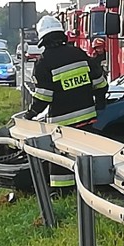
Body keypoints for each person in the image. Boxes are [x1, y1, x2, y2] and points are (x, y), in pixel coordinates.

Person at [25, 15, 109, 193]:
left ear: (43, 40)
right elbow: (100, 82)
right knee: (84, 155)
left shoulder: (43, 63)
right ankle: (87, 190)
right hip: (87, 119)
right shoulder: (78, 53)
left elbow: (43, 97)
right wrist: (100, 103)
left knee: (61, 160)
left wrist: (30, 114)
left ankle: (63, 194)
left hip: (62, 124)